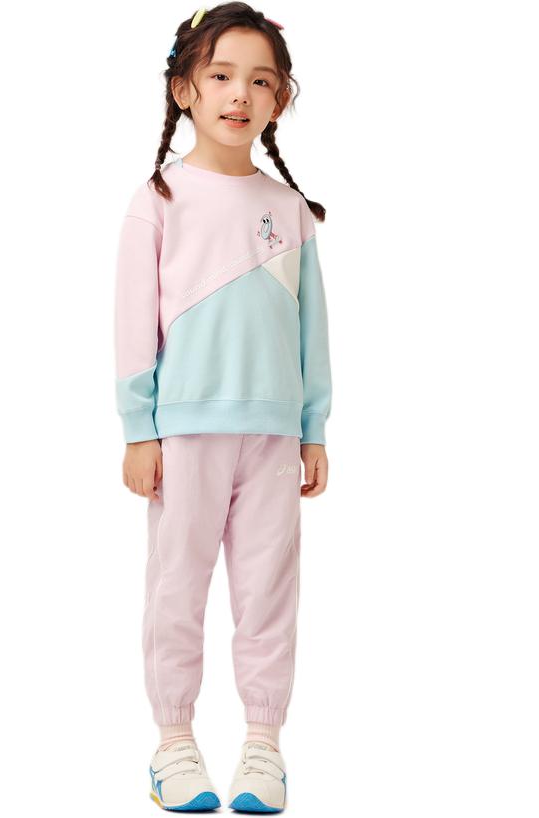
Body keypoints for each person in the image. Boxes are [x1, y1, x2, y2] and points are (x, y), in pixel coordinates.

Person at [113, 3, 332, 811]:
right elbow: (133, 322)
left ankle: (263, 747)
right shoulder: (159, 199)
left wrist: (314, 428)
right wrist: (139, 429)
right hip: (186, 435)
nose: (241, 93)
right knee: (178, 586)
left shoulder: (291, 212)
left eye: (261, 81)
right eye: (221, 75)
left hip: (272, 437)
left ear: (280, 99)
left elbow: (312, 329)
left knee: (268, 592)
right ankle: (174, 741)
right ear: (185, 89)